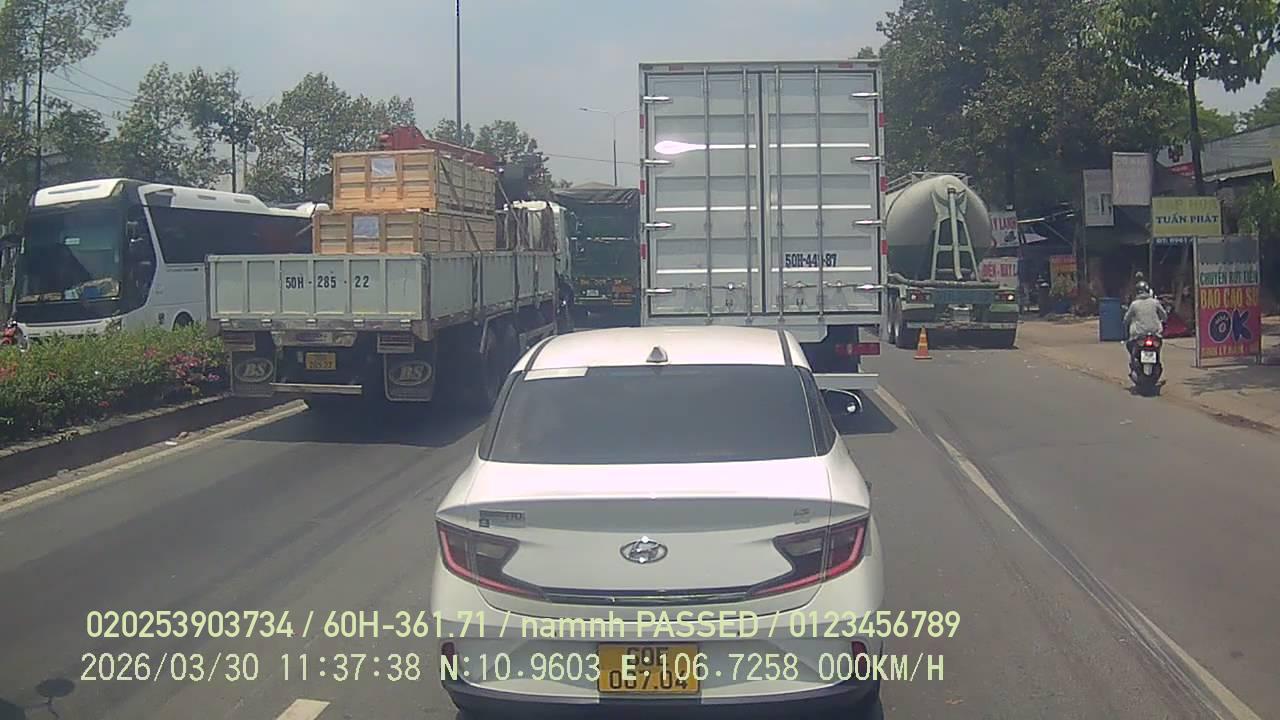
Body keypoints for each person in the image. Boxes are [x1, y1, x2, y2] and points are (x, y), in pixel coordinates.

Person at [1123, 281, 1167, 356]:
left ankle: (1135, 359)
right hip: (1155, 332)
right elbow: (1164, 315)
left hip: (1138, 333)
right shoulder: (1155, 302)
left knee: (1129, 344)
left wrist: (1126, 322)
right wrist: (1163, 320)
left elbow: (1126, 319)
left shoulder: (1134, 304)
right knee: (1158, 345)